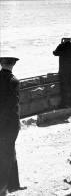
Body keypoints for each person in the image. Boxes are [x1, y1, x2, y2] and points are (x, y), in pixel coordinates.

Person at [0, 57, 24, 195]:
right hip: (9, 125)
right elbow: (13, 106)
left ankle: (14, 184)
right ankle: (4, 187)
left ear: (1, 64)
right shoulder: (14, 81)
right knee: (8, 154)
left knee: (8, 152)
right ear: (13, 65)